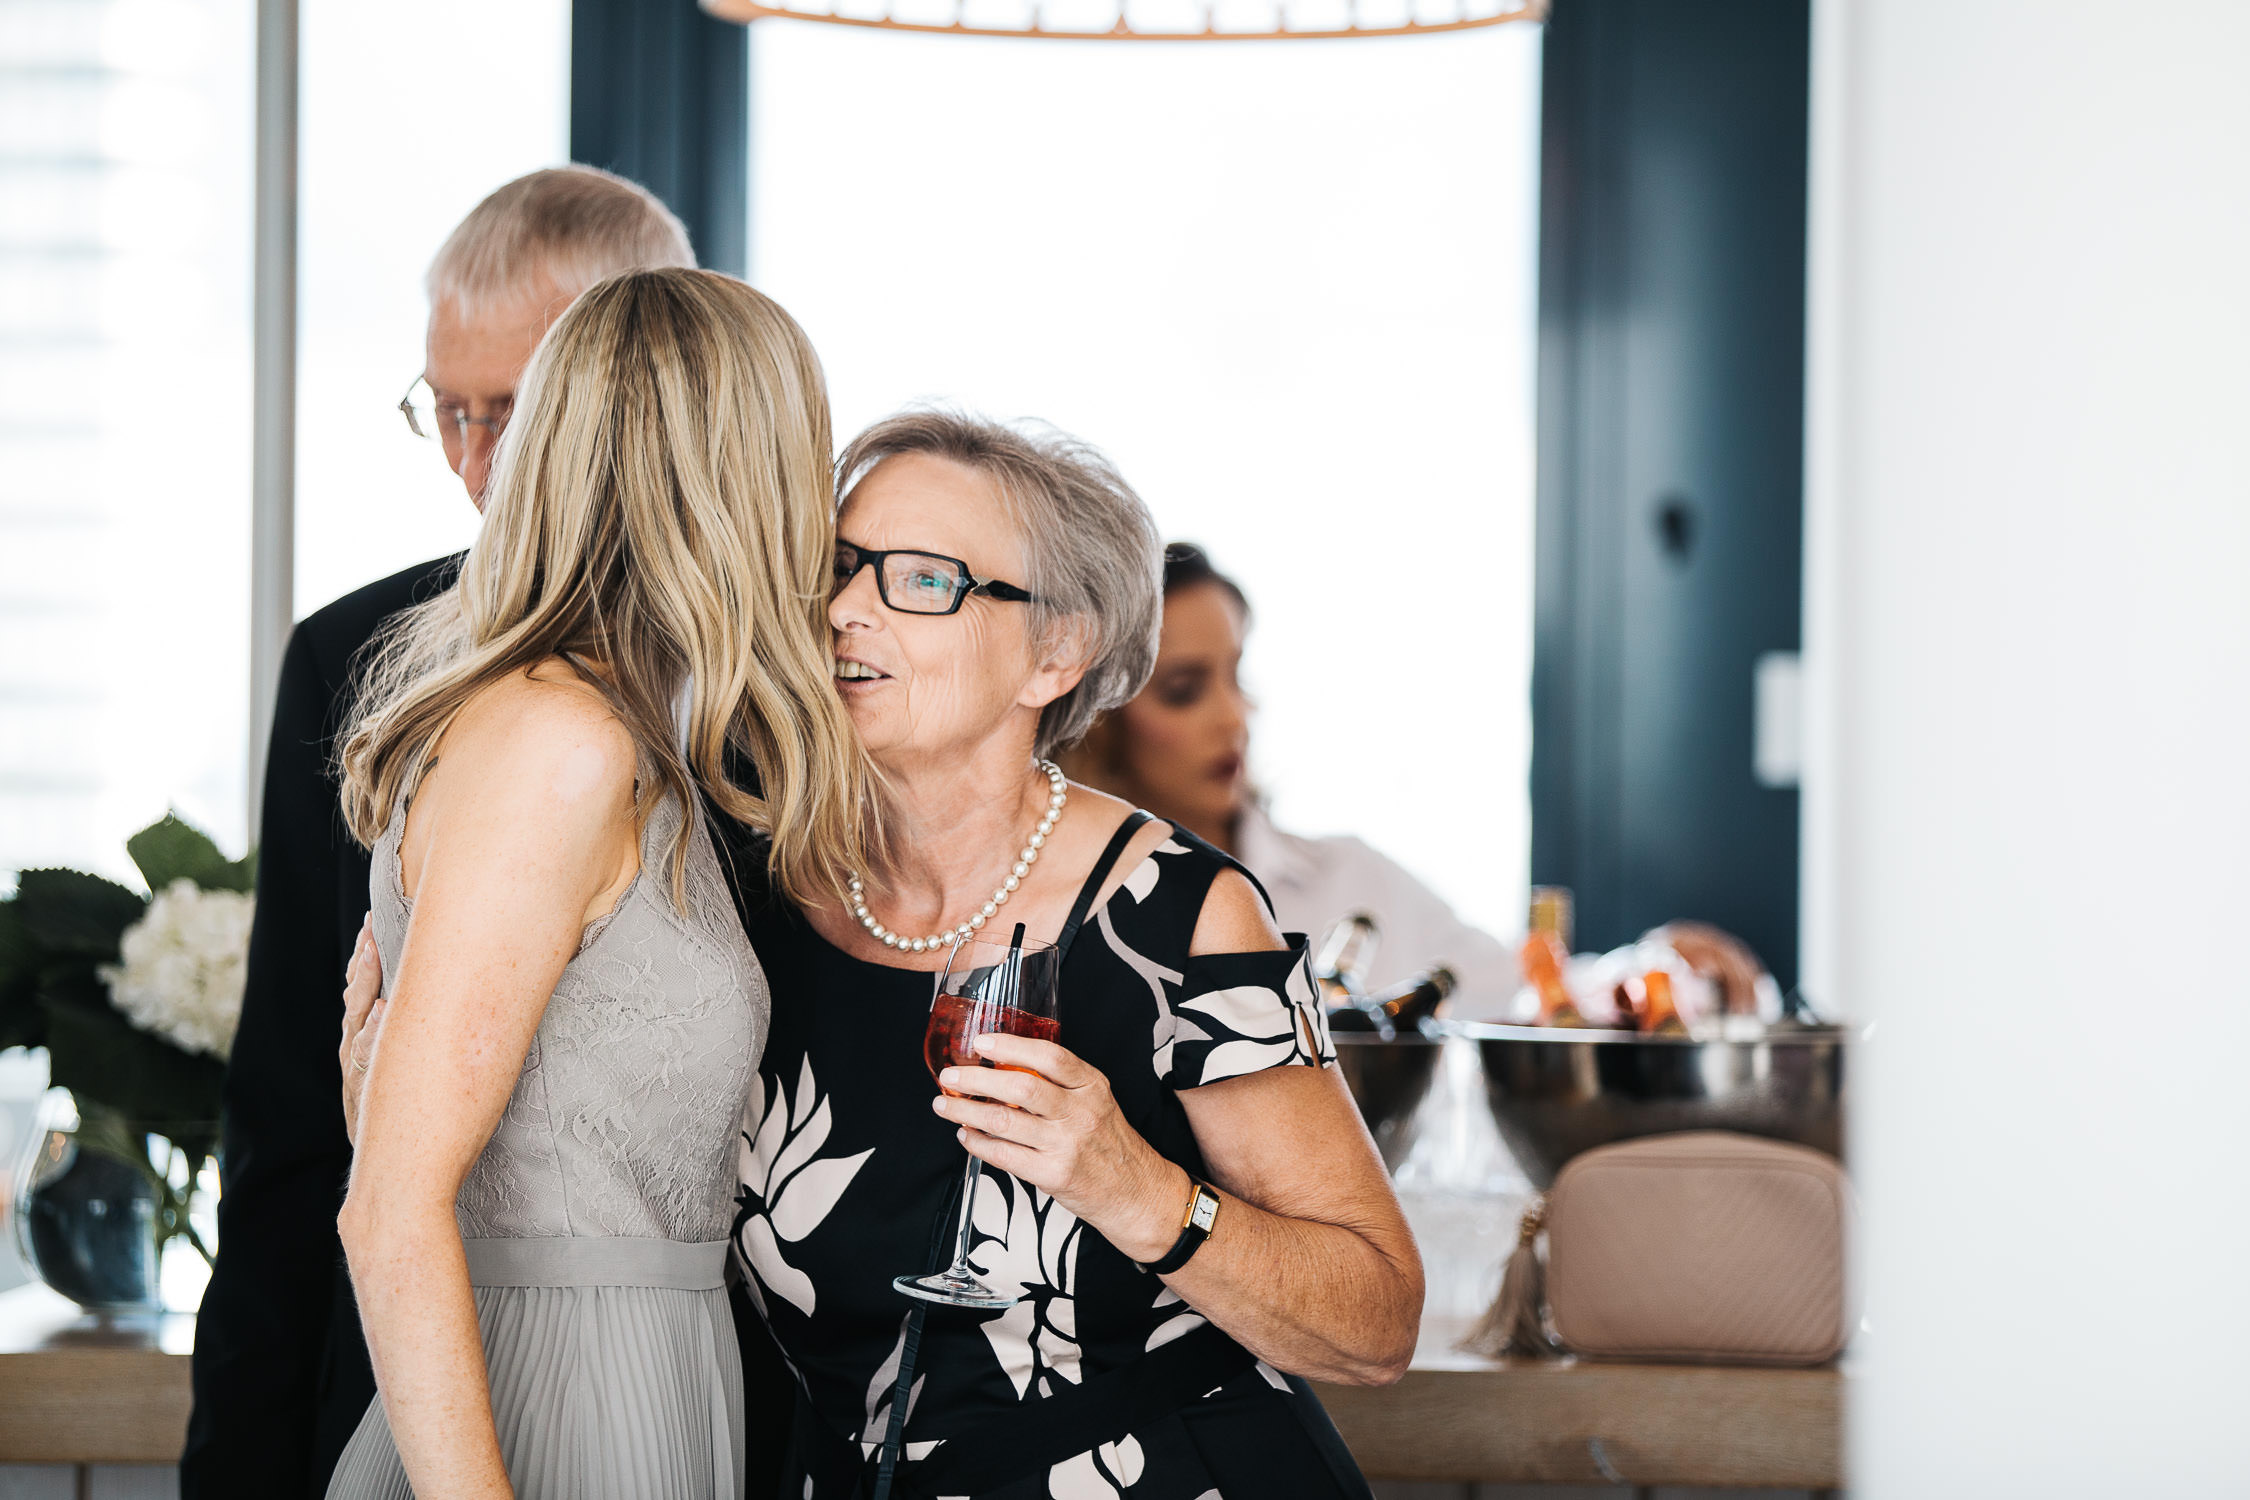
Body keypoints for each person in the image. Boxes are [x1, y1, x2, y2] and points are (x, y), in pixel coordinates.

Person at [724, 412, 1420, 1499]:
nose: (845, 610)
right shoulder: (745, 894)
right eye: (838, 567)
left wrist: (1129, 1183)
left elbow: (1375, 1325)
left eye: (921, 581)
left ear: (1053, 653)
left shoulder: (1182, 919)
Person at [183, 167, 697, 1498]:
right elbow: (290, 1115)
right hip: (418, 1383)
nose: (472, 462)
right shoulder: (354, 655)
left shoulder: (788, 675)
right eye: (446, 411)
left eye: (510, 413)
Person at [323, 268, 866, 1499]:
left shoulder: (618, 736)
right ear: (745, 479)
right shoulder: (560, 744)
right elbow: (390, 1209)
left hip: (646, 1370)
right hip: (562, 1389)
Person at [1062, 543, 1520, 1017]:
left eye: (1236, 676)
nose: (1233, 718)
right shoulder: (1068, 921)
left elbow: (1525, 992)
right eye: (1184, 691)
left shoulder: (1356, 878)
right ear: (1100, 721)